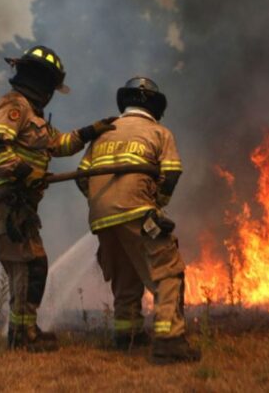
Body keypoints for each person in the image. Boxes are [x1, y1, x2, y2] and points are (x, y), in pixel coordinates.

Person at [0, 45, 115, 352]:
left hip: (20, 201)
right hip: (4, 197)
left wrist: (91, 131)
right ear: (42, 82)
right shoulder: (14, 105)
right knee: (26, 264)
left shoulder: (34, 116)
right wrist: (26, 172)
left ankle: (25, 330)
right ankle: (21, 336)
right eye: (52, 87)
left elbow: (60, 144)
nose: (52, 93)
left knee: (33, 265)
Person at [76, 76, 201, 364]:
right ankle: (169, 342)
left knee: (125, 275)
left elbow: (82, 178)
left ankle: (126, 334)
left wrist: (101, 203)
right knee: (168, 272)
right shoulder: (159, 132)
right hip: (138, 211)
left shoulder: (103, 134)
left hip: (101, 218)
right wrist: (157, 205)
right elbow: (171, 173)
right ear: (155, 107)